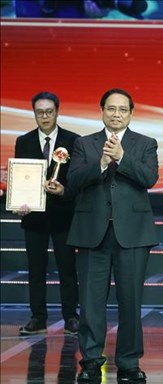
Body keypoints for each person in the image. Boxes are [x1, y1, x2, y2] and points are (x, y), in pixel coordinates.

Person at [67, 88, 159, 384]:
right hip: (92, 233)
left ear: (131, 114)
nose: (116, 114)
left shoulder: (145, 144)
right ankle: (91, 361)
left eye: (122, 109)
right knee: (91, 303)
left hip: (132, 234)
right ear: (102, 111)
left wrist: (122, 157)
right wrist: (102, 164)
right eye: (111, 108)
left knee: (130, 302)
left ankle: (129, 363)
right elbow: (74, 180)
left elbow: (149, 178)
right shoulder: (84, 144)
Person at [14, 91, 80, 336]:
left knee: (67, 269)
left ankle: (71, 316)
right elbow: (22, 177)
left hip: (64, 215)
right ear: (34, 113)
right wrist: (19, 201)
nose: (44, 116)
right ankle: (38, 317)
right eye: (40, 112)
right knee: (36, 270)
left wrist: (64, 191)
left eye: (49, 111)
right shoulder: (24, 141)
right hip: (34, 216)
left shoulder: (73, 141)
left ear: (57, 112)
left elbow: (78, 181)